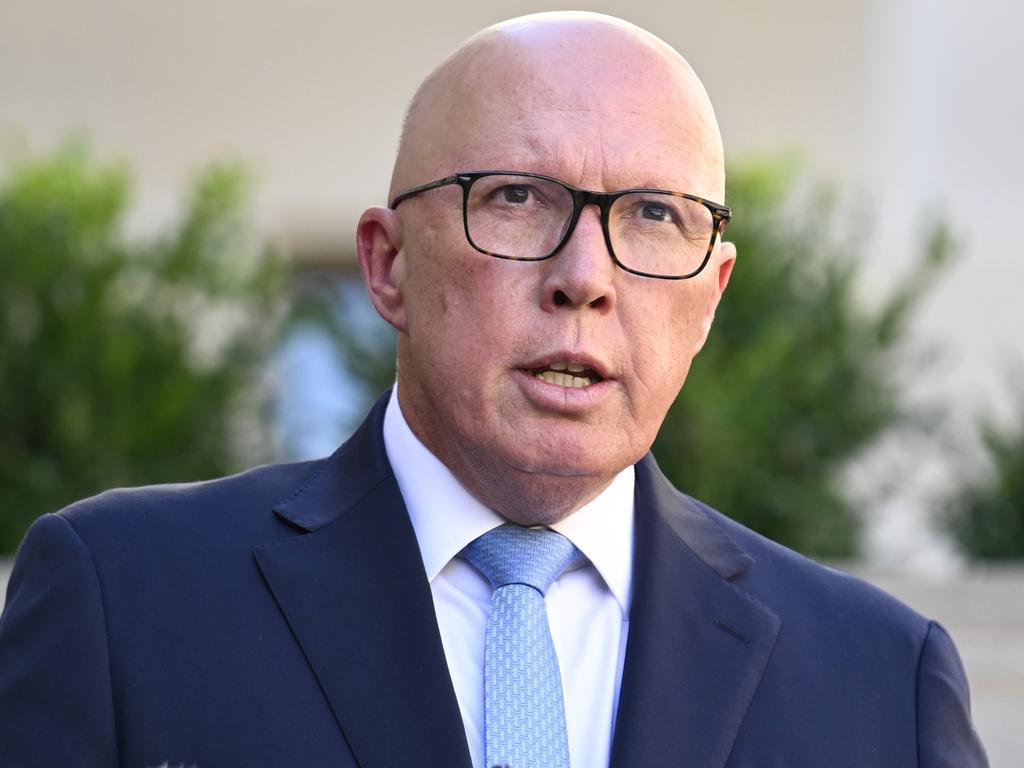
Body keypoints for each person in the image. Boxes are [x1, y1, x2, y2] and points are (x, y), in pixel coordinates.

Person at [0, 11, 987, 768]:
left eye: (652, 215)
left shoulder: (879, 685)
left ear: (710, 296)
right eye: (517, 198)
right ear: (386, 268)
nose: (586, 277)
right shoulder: (120, 599)